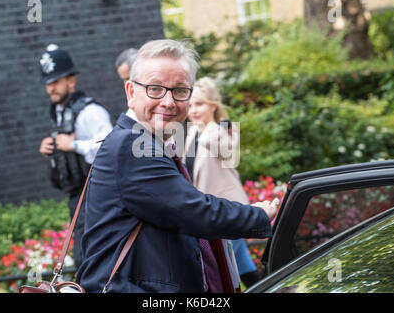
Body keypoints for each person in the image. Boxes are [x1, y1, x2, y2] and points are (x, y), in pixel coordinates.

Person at [76, 39, 278, 293]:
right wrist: (258, 215)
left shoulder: (144, 141)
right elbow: (194, 211)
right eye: (155, 89)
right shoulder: (132, 146)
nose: (169, 102)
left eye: (180, 90)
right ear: (130, 93)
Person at [38, 44, 113, 269]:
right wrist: (50, 147)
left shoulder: (90, 111)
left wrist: (75, 145)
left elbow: (110, 146)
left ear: (71, 81)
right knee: (85, 260)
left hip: (96, 195)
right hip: (77, 198)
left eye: (56, 81)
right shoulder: (60, 113)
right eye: (48, 83)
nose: (51, 88)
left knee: (91, 260)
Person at [184, 77, 263, 288]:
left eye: (199, 104)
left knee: (223, 271)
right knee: (245, 269)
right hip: (209, 211)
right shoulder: (192, 132)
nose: (193, 110)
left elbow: (228, 153)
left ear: (213, 105)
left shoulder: (223, 130)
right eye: (190, 105)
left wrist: (208, 127)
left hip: (227, 210)